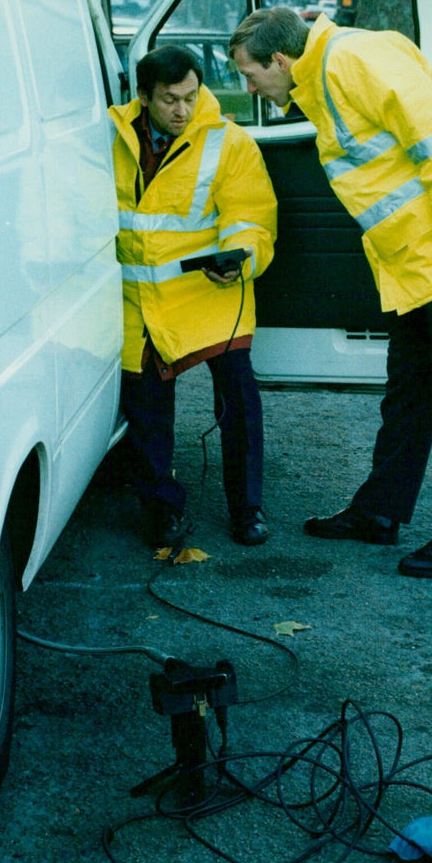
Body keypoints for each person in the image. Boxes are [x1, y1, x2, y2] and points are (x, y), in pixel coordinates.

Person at [228, 7, 432, 578]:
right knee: (408, 391)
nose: (248, 86)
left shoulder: (353, 59)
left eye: (250, 74)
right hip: (416, 260)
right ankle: (380, 512)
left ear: (280, 60)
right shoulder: (324, 73)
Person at [109, 45, 277, 549]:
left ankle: (248, 509)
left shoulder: (229, 143)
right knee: (147, 409)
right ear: (142, 97)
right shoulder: (109, 140)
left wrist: (241, 255)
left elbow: (252, 216)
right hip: (139, 300)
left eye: (190, 96)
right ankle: (161, 507)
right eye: (168, 100)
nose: (182, 110)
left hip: (210, 293)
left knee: (239, 400)